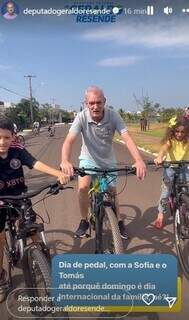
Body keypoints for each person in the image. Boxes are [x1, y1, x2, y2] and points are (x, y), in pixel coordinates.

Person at [61, 86, 146, 239]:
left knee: (112, 192)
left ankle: (119, 221)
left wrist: (139, 160)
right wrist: (65, 161)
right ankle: (84, 220)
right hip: (88, 159)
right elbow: (69, 141)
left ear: (104, 101)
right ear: (86, 103)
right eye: (91, 103)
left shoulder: (113, 116)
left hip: (108, 160)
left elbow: (127, 138)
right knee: (83, 188)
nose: (95, 106)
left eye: (99, 102)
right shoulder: (81, 117)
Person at [0, 117, 69, 299]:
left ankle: (42, 258)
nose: (2, 142)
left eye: (6, 137)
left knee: (31, 227)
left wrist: (59, 174)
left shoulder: (18, 150)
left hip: (20, 195)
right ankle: (1, 276)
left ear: (13, 137)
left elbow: (35, 163)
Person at [154, 116, 189, 229]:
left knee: (186, 190)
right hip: (170, 168)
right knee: (165, 193)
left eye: (182, 132)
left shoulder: (187, 140)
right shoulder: (170, 140)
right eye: (177, 131)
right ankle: (160, 215)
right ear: (173, 131)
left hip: (183, 167)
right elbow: (164, 149)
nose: (179, 134)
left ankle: (184, 207)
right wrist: (159, 157)